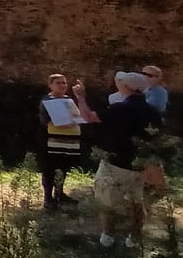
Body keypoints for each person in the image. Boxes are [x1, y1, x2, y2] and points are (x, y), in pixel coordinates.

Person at [72, 72, 163, 248]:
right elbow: (157, 139)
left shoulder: (121, 108)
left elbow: (88, 117)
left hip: (115, 162)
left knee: (107, 200)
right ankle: (134, 239)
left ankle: (108, 237)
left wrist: (80, 97)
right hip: (139, 165)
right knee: (136, 202)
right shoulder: (153, 111)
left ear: (126, 87)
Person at [38, 73, 84, 211]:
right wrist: (65, 122)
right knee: (50, 169)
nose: (63, 85)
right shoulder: (47, 100)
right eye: (58, 83)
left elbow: (77, 116)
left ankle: (60, 194)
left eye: (64, 82)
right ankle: (48, 198)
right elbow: (45, 120)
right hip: (53, 140)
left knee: (64, 168)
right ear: (50, 85)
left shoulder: (69, 99)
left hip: (70, 140)